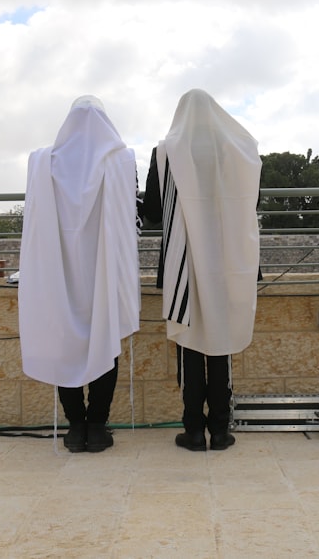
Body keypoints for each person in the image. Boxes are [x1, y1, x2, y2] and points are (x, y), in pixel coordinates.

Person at [139, 88, 262, 451]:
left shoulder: (165, 152)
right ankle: (221, 431)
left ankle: (193, 430)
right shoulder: (240, 151)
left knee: (190, 343)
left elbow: (153, 214)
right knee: (220, 342)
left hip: (184, 261)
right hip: (229, 260)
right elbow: (251, 201)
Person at [18, 95, 141, 453]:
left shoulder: (42, 162)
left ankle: (75, 427)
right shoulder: (121, 160)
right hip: (103, 267)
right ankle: (98, 427)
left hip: (59, 268)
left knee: (65, 345)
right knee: (106, 340)